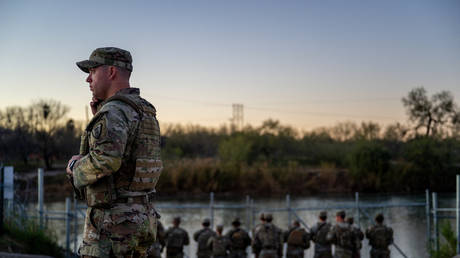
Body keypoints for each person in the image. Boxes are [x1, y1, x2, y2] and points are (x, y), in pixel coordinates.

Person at [67, 47, 162, 258]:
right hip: (141, 217)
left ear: (111, 72)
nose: (88, 80)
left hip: (112, 223)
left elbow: (106, 160)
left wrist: (75, 167)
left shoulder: (114, 112)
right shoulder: (144, 110)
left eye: (92, 71)